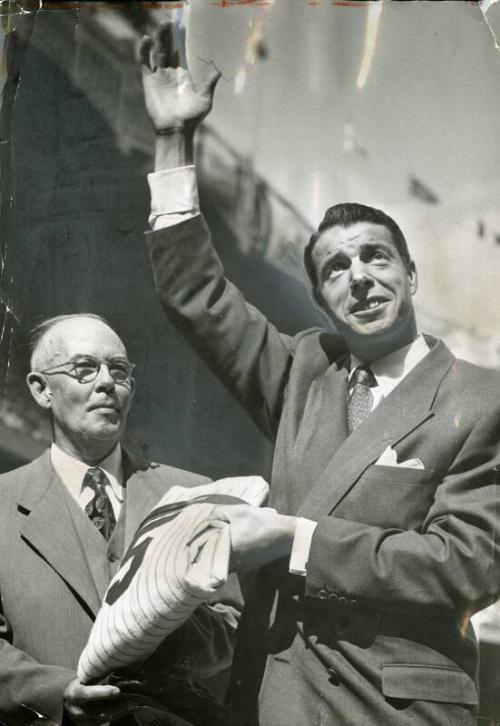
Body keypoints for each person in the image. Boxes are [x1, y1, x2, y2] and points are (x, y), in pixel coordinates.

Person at [139, 23, 500, 726]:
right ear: (323, 299)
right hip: (279, 698)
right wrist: (174, 142)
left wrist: (292, 540)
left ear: (411, 274)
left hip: (397, 708)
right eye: (336, 268)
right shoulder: (305, 369)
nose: (358, 276)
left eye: (375, 257)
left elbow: (468, 565)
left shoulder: (482, 397)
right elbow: (199, 300)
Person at [0, 313, 240, 726]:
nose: (107, 382)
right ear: (41, 390)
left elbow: (230, 628)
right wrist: (57, 695)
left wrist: (163, 609)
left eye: (119, 369)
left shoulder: (194, 495)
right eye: (85, 368)